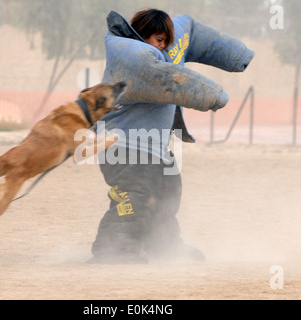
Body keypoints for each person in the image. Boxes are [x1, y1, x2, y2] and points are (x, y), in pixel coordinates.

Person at [89, 9, 254, 264]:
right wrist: (214, 95)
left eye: (166, 40)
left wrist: (238, 56)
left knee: (168, 190)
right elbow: (170, 80)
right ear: (140, 35)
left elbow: (193, 32)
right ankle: (113, 249)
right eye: (158, 39)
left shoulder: (158, 53)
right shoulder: (132, 58)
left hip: (154, 147)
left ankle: (163, 245)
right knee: (137, 194)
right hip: (123, 146)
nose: (163, 45)